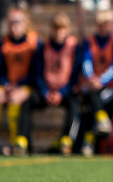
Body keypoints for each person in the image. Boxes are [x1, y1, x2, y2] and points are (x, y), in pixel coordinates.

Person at [78, 9, 113, 156]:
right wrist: (92, 79)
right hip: (91, 85)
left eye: (108, 23)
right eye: (102, 23)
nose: (105, 26)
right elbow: (86, 62)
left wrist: (100, 81)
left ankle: (89, 140)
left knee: (94, 101)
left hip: (110, 89)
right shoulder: (89, 43)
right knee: (92, 97)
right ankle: (99, 123)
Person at [0, 8, 40, 154]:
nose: (13, 26)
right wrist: (5, 84)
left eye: (17, 22)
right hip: (7, 84)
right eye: (10, 22)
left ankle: (16, 143)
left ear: (26, 23)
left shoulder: (35, 43)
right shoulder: (2, 43)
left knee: (14, 99)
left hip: (28, 85)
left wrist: (21, 84)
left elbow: (37, 71)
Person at [30, 12, 80, 155]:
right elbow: (37, 73)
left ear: (68, 30)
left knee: (74, 103)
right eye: (56, 28)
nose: (59, 32)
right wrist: (45, 92)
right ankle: (24, 139)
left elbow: (75, 75)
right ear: (51, 29)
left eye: (62, 28)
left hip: (65, 91)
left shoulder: (74, 47)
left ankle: (67, 140)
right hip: (46, 91)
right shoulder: (42, 48)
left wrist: (61, 92)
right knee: (28, 102)